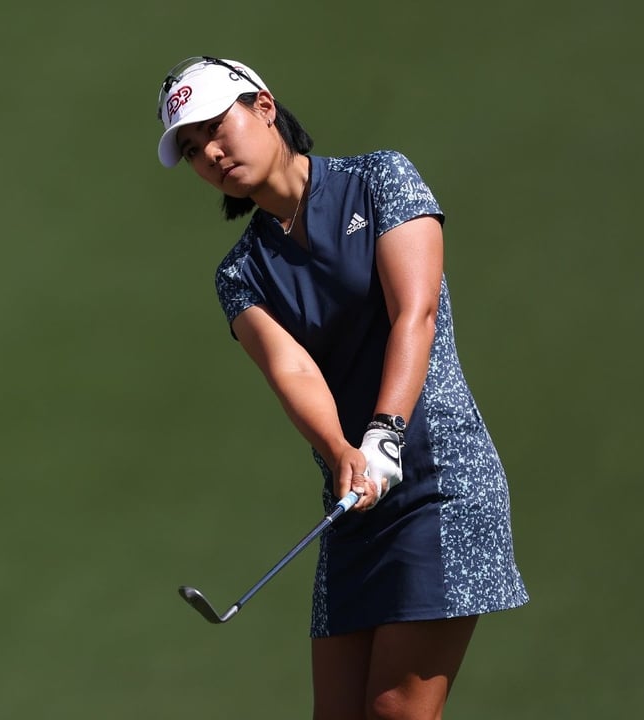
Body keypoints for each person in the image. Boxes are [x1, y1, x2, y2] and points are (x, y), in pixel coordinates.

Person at [154, 56, 529, 720]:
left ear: (263, 107)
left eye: (216, 127)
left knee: (395, 712)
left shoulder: (380, 177)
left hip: (440, 484)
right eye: (191, 148)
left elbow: (415, 312)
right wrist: (340, 450)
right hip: (355, 502)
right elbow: (291, 370)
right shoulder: (240, 273)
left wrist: (384, 431)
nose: (209, 153)